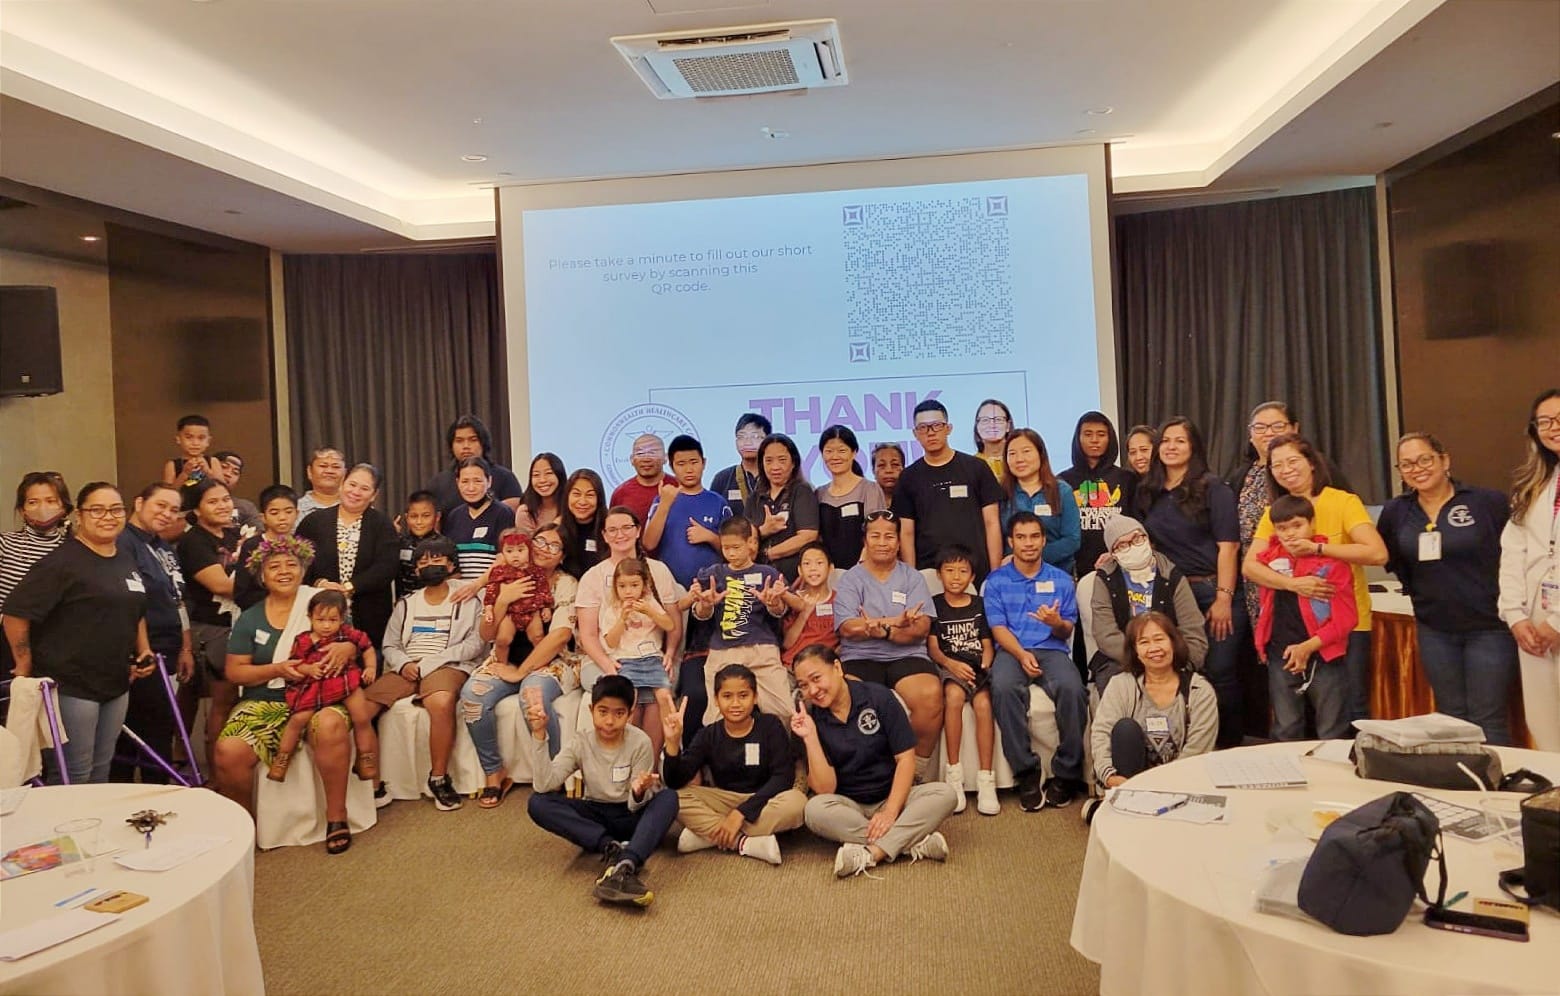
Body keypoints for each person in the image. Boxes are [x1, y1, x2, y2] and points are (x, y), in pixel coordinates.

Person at [210, 535, 359, 854]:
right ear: (262, 576)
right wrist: (277, 669)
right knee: (228, 750)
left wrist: (347, 647)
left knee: (329, 726)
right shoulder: (250, 617)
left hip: (322, 695)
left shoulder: (323, 602)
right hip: (266, 699)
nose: (283, 571)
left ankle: (337, 817)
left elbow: (355, 641)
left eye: (291, 564)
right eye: (274, 566)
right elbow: (235, 672)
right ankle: (243, 827)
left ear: (303, 571)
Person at [3, 482, 155, 784]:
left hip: (115, 682)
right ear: (79, 516)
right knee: (74, 774)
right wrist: (24, 663)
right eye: (96, 510)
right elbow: (15, 613)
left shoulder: (124, 557)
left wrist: (144, 650)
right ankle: (62, 832)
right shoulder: (61, 563)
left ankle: (91, 831)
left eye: (115, 509)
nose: (107, 517)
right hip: (71, 685)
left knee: (101, 769)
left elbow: (135, 608)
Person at [1379, 433, 1517, 744]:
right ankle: (1460, 788)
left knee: (1488, 719)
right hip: (1435, 629)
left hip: (1489, 627)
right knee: (1450, 718)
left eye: (1425, 459)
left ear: (1445, 460)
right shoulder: (1396, 512)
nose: (1418, 468)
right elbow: (1393, 560)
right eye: (1407, 464)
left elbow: (1513, 555)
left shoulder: (1486, 502)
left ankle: (1496, 790)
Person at [1243, 433, 1385, 726]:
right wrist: (1293, 584)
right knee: (1292, 716)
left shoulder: (1343, 502)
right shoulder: (1276, 511)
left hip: (1345, 623)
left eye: (1293, 461)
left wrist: (1318, 548)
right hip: (1290, 626)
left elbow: (1377, 553)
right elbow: (1251, 567)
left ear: (1311, 463)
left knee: (1349, 708)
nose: (1286, 470)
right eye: (1277, 465)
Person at [790, 645, 958, 878]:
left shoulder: (878, 697)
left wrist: (890, 811)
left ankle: (871, 853)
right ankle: (909, 842)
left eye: (816, 678)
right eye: (804, 686)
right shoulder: (809, 717)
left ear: (837, 668)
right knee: (814, 810)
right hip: (849, 804)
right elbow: (825, 789)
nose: (813, 690)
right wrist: (810, 737)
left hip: (893, 797)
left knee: (945, 794)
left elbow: (906, 759)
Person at [1132, 417, 1245, 748]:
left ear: (1193, 447)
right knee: (1183, 670)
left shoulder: (1214, 488)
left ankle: (1228, 749)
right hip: (1172, 594)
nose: (1170, 447)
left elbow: (1230, 547)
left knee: (1220, 672)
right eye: (1165, 440)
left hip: (1213, 591)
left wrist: (1224, 598)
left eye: (1179, 441)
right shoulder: (1148, 491)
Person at [524, 674, 679, 907]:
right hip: (596, 815)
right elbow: (544, 784)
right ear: (591, 710)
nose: (609, 721)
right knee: (537, 803)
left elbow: (637, 802)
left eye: (619, 714)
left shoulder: (641, 742)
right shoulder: (581, 742)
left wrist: (637, 792)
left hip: (631, 814)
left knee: (668, 797)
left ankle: (627, 864)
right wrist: (538, 735)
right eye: (603, 712)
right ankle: (609, 847)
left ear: (629, 713)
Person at [360, 536, 484, 811]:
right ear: (415, 570)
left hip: (447, 664)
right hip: (407, 666)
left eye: (437, 559)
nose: (429, 565)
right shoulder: (406, 603)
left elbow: (475, 644)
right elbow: (390, 644)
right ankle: (375, 785)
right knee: (361, 709)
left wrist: (434, 661)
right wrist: (403, 663)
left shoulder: (468, 598)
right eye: (423, 561)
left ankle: (438, 778)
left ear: (451, 564)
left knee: (440, 703)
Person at [461, 524, 580, 804]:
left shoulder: (566, 584)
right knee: (472, 697)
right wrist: (503, 600)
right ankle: (494, 772)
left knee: (532, 697)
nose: (542, 548)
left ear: (562, 556)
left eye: (553, 546)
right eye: (539, 541)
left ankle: (553, 774)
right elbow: (486, 634)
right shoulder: (502, 578)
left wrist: (521, 672)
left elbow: (561, 636)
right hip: (503, 658)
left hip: (551, 662)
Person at [986, 511, 1089, 810]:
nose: (1028, 543)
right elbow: (998, 628)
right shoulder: (996, 581)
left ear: (1044, 540)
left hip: (1052, 649)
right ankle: (1026, 773)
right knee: (1003, 688)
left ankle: (1067, 773)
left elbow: (1067, 629)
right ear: (1010, 542)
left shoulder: (1061, 580)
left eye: (1034, 537)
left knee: (1073, 688)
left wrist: (1056, 622)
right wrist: (1020, 653)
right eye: (1021, 537)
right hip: (1011, 650)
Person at [832, 510, 943, 778]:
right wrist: (894, 621)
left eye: (889, 536)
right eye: (875, 536)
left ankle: (914, 773)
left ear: (898, 541)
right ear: (865, 541)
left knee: (929, 696)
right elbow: (848, 627)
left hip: (907, 655)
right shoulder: (850, 579)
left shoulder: (912, 578)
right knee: (845, 699)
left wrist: (881, 630)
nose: (882, 542)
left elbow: (920, 628)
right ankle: (867, 776)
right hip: (859, 656)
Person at [662, 665, 806, 865]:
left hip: (765, 799)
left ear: (755, 697)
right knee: (672, 798)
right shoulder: (708, 734)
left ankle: (710, 835)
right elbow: (675, 780)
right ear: (716, 700)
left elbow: (783, 777)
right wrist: (672, 743)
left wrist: (740, 814)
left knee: (797, 803)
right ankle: (743, 842)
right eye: (727, 696)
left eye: (743, 695)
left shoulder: (769, 725)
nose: (735, 703)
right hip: (725, 800)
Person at [1084, 612, 1218, 823]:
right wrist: (1108, 775)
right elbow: (1101, 732)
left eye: (1159, 639)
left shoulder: (1199, 690)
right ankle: (1124, 807)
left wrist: (1159, 786)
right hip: (1131, 781)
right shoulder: (1121, 685)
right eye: (1144, 642)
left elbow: (1198, 749)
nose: (1154, 648)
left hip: (1180, 783)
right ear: (1135, 651)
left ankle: (1115, 808)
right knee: (1125, 728)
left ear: (1174, 643)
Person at [1251, 494, 1360, 740]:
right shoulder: (1268, 561)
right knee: (1285, 727)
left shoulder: (1333, 564)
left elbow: (1347, 619)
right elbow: (1252, 572)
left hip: (1324, 655)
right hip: (1281, 652)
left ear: (1312, 523)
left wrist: (1308, 647)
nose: (1290, 534)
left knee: (1332, 728)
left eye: (1297, 525)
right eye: (1282, 528)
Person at [111, 482, 193, 784]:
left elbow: (177, 597)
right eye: (161, 506)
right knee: (141, 734)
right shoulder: (123, 542)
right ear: (139, 502)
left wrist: (185, 647)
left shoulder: (162, 546)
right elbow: (129, 602)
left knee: (160, 727)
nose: (167, 514)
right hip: (141, 652)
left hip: (170, 649)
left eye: (174, 510)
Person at [1499, 387, 1560, 751]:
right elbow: (1513, 552)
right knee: (1544, 721)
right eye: (1544, 422)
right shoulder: (1533, 485)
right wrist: (1515, 616)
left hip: (1556, 620)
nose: (1553, 428)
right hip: (1534, 621)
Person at [268, 589, 380, 783]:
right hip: (315, 686)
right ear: (310, 617)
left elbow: (368, 647)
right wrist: (309, 669)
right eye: (320, 620)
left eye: (333, 620)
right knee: (297, 720)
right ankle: (282, 758)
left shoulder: (348, 635)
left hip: (344, 680)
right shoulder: (302, 640)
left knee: (361, 716)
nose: (327, 625)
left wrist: (370, 667)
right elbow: (295, 664)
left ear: (342, 618)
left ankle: (365, 758)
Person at [1088, 515, 1208, 693]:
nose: (1132, 546)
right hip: (1122, 659)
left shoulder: (1172, 576)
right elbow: (1105, 634)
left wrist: (1167, 661)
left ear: (1147, 539)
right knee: (1115, 685)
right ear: (1113, 554)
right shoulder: (1105, 578)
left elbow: (1194, 633)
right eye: (1122, 545)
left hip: (1170, 657)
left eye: (1137, 538)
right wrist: (1143, 658)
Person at [688, 517, 791, 723]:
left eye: (736, 547)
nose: (731, 553)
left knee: (783, 711)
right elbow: (700, 613)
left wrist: (774, 603)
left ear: (750, 543)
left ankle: (782, 753)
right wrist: (705, 604)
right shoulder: (713, 574)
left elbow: (780, 612)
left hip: (761, 650)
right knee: (715, 717)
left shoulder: (767, 573)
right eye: (726, 548)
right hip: (723, 651)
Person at [893, 400, 1003, 582]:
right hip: (929, 572)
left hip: (975, 570)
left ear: (948, 428)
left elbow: (992, 523)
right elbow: (906, 532)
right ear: (915, 433)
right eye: (923, 428)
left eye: (937, 425)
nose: (931, 433)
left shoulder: (976, 468)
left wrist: (996, 573)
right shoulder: (908, 477)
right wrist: (911, 579)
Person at [574, 507, 681, 693]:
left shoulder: (658, 570)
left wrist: (670, 654)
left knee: (658, 693)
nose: (620, 535)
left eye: (626, 527)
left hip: (650, 655)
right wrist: (607, 665)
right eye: (612, 530)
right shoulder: (593, 576)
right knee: (621, 691)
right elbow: (588, 635)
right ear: (605, 536)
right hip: (606, 656)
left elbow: (673, 621)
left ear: (638, 530)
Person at [295, 463, 401, 648]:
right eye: (352, 484)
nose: (356, 492)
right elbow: (299, 562)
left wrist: (350, 587)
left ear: (374, 495)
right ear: (342, 483)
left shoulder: (382, 525)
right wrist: (320, 583)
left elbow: (386, 567)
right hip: (320, 614)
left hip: (369, 615)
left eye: (364, 488)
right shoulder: (314, 522)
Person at [926, 546, 998, 816]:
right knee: (953, 699)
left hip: (976, 666)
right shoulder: (934, 604)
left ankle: (986, 778)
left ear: (972, 577)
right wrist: (951, 665)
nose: (956, 577)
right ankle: (954, 775)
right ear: (939, 574)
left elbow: (987, 643)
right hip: (949, 666)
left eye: (963, 571)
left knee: (983, 705)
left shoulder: (979, 605)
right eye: (949, 571)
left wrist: (985, 664)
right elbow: (933, 648)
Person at [179, 478, 242, 774]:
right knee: (222, 700)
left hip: (238, 622)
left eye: (226, 499)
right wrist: (264, 574)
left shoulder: (234, 534)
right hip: (212, 627)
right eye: (213, 501)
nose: (223, 506)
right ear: (197, 509)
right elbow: (221, 584)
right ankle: (218, 774)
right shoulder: (194, 541)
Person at [599, 557, 677, 755]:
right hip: (627, 660)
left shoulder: (650, 603)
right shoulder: (613, 609)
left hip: (652, 658)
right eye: (622, 586)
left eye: (634, 585)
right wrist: (622, 619)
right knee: (628, 700)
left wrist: (650, 611)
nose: (628, 591)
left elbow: (669, 625)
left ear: (644, 585)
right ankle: (625, 748)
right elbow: (610, 642)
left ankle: (673, 740)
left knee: (665, 696)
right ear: (615, 587)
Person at [642, 434, 731, 590]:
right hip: (671, 590)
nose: (689, 469)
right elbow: (649, 544)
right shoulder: (662, 500)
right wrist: (665, 504)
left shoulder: (718, 502)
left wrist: (710, 537)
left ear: (704, 463)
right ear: (671, 466)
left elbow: (734, 549)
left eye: (694, 462)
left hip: (712, 590)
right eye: (681, 464)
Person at [1060, 411, 1132, 575]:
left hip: (1120, 568)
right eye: (1088, 434)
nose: (1094, 440)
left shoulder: (1127, 479)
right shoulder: (1063, 481)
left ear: (1110, 438)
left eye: (1101, 434)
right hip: (1075, 570)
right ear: (1078, 438)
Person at [1000, 428, 1082, 572]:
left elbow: (1072, 540)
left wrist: (1028, 557)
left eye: (1026, 451)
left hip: (1057, 574)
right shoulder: (1001, 493)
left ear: (1040, 454)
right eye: (1012, 454)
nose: (1019, 459)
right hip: (1013, 576)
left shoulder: (1062, 491)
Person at [744, 433, 820, 582]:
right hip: (757, 579)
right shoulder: (754, 498)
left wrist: (769, 554)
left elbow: (808, 536)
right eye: (769, 461)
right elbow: (742, 539)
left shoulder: (801, 491)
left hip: (795, 578)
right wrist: (762, 531)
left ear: (793, 463)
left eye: (782, 460)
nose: (775, 467)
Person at [0, 471, 72, 618]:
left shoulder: (75, 550)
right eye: (33, 502)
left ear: (63, 508)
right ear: (22, 510)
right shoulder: (4, 543)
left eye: (50, 501)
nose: (42, 508)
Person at [814, 425, 887, 568]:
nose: (835, 457)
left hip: (864, 571)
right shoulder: (819, 494)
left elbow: (876, 532)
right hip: (828, 574)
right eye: (829, 451)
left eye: (842, 451)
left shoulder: (869, 489)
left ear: (854, 453)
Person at [424, 415, 524, 513]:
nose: (466, 446)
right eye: (459, 441)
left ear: (483, 443)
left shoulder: (505, 477)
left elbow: (514, 517)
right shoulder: (438, 483)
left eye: (473, 440)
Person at [483, 528, 553, 665]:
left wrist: (546, 607)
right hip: (509, 613)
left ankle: (541, 665)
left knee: (538, 637)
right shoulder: (498, 572)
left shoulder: (536, 571)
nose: (515, 555)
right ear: (502, 553)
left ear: (530, 550)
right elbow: (491, 590)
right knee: (503, 640)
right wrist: (489, 608)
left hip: (532, 611)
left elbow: (543, 589)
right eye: (509, 551)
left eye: (520, 550)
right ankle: (500, 665)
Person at [440, 457, 514, 583]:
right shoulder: (454, 516)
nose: (471, 488)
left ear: (489, 481)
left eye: (477, 481)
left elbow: (506, 558)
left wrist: (476, 586)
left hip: (491, 590)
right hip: (460, 593)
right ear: (457, 482)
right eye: (465, 481)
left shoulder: (503, 513)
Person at [781, 542, 839, 668]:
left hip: (824, 667)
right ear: (799, 570)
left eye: (819, 563)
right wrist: (804, 613)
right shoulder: (793, 599)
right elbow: (787, 644)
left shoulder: (840, 600)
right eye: (807, 564)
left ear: (831, 568)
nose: (813, 568)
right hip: (792, 665)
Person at [711, 413, 772, 518]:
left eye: (755, 436)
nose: (747, 442)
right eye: (741, 436)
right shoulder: (723, 478)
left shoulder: (775, 475)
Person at [609, 433, 676, 523]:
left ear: (665, 457)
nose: (646, 459)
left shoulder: (678, 487)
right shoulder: (620, 493)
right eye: (640, 453)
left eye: (652, 453)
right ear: (632, 459)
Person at [162, 414, 222, 509]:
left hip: (210, 511)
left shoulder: (213, 462)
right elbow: (167, 495)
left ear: (208, 441)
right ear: (178, 439)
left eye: (201, 438)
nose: (195, 443)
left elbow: (223, 490)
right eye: (189, 437)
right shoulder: (172, 465)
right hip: (182, 513)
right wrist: (184, 474)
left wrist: (207, 471)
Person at [558, 469, 608, 579]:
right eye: (576, 494)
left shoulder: (610, 529)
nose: (582, 501)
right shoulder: (557, 530)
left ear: (599, 499)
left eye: (589, 495)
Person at [395, 489, 442, 600]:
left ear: (437, 516)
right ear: (406, 517)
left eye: (426, 516)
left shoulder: (444, 544)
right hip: (404, 603)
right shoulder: (400, 542)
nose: (419, 522)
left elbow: (454, 576)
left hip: (434, 602)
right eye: (414, 516)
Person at [514, 452, 566, 535]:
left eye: (548, 473)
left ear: (559, 475)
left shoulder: (570, 507)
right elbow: (531, 545)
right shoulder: (526, 512)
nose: (542, 480)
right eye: (536, 475)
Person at [211, 450, 262, 530]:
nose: (228, 474)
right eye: (224, 467)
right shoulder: (193, 501)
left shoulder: (245, 507)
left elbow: (258, 535)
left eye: (235, 472)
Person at [295, 446, 346, 520]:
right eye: (323, 466)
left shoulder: (356, 507)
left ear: (344, 473)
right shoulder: (296, 509)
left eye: (336, 467)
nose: (329, 471)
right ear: (309, 471)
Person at [973, 399, 1014, 479]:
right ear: (977, 426)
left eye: (998, 419)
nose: (992, 425)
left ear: (1008, 426)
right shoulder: (970, 465)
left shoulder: (1019, 462)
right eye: (985, 420)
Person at [871, 442, 906, 507]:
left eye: (895, 464)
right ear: (873, 470)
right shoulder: (866, 502)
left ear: (904, 469)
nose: (889, 470)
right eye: (881, 465)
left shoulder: (915, 500)